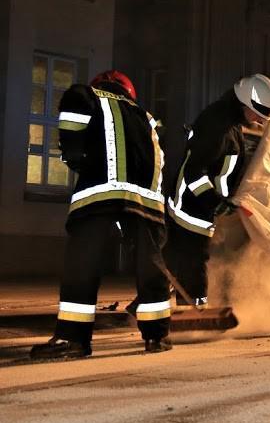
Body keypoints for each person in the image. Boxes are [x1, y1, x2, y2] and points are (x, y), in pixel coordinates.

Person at [30, 70, 171, 359]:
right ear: (129, 94)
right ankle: (157, 336)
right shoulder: (148, 118)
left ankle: (73, 339)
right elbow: (159, 160)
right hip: (147, 202)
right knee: (150, 266)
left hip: (99, 194)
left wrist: (75, 158)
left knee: (83, 264)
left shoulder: (88, 96)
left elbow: (72, 123)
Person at [164, 74, 270, 307]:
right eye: (257, 113)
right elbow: (194, 172)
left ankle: (147, 303)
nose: (258, 120)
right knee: (193, 262)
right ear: (245, 102)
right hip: (190, 208)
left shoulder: (230, 123)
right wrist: (213, 201)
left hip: (200, 207)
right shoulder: (218, 126)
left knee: (175, 262)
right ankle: (196, 314)